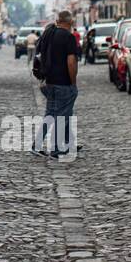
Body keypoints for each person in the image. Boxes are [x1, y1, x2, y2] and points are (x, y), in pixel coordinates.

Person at [33, 10, 79, 160]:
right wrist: (73, 82)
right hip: (63, 82)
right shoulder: (68, 37)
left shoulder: (49, 34)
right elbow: (71, 62)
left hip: (49, 81)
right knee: (62, 116)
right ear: (70, 22)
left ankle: (37, 145)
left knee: (51, 114)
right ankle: (57, 149)